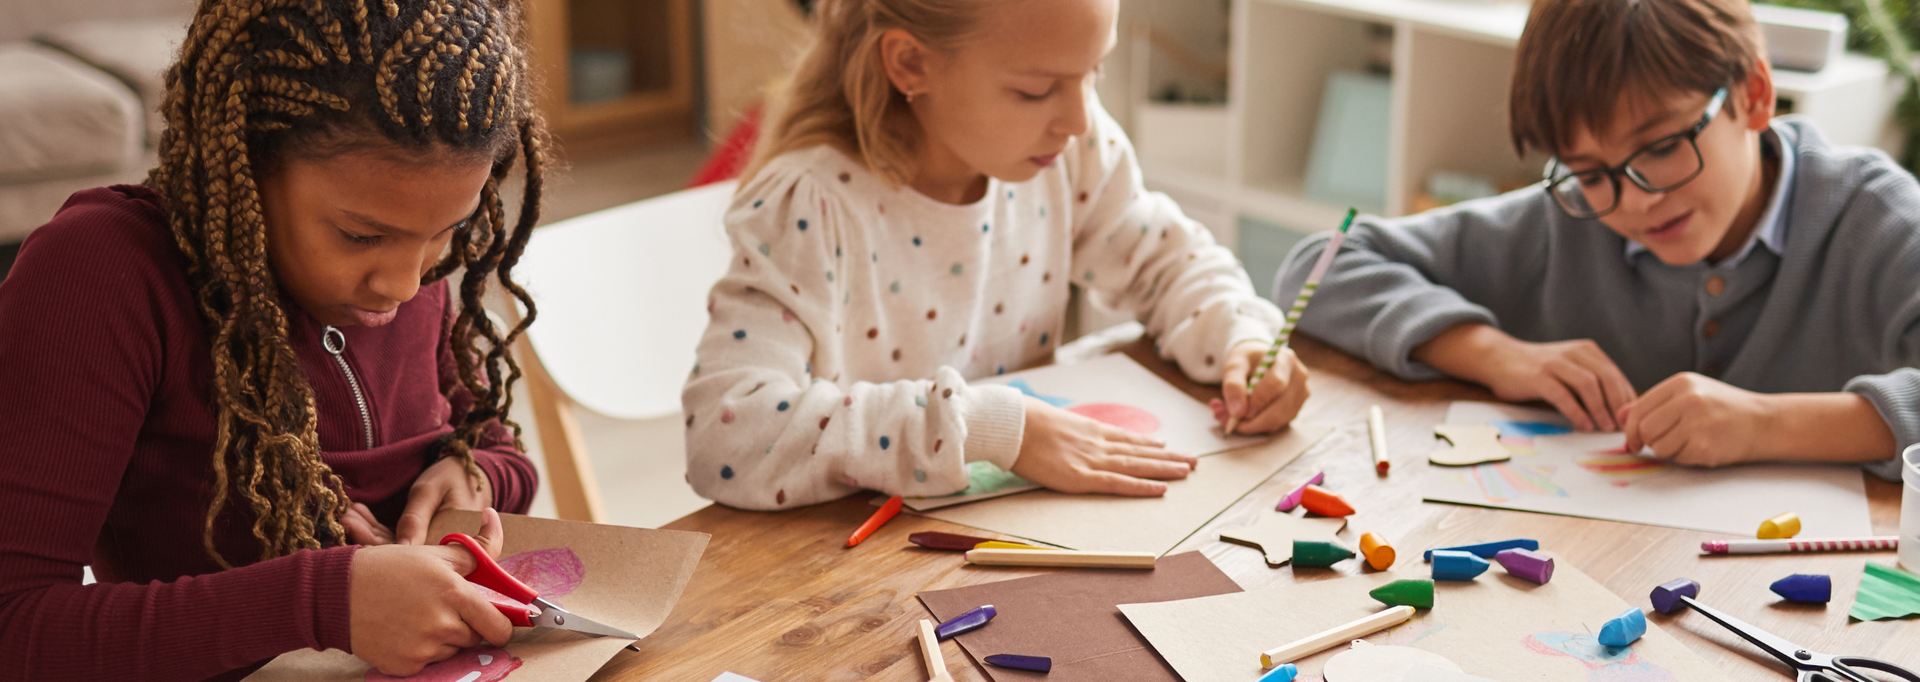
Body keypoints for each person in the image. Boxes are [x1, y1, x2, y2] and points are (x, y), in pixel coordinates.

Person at [0, 0, 551, 678]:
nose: (407, 284)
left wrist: (474, 476)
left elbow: (497, 448)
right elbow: (15, 625)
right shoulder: (102, 277)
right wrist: (327, 601)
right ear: (243, 161)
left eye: (446, 232)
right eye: (361, 235)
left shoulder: (409, 267)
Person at [683, 0, 1308, 511]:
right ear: (910, 64)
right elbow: (729, 434)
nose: (1079, 119)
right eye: (1037, 90)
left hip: (1026, 526)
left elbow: (1167, 263)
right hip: (861, 565)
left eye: (1094, 73)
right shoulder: (809, 206)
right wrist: (988, 428)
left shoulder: (1068, 153)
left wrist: (1240, 336)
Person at [1276, 0, 1916, 475]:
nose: (1634, 201)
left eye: (1663, 148)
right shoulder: (1571, 219)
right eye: (1589, 170)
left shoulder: (1876, 221)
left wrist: (1767, 426)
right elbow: (1321, 264)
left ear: (1754, 94)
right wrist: (1496, 354)